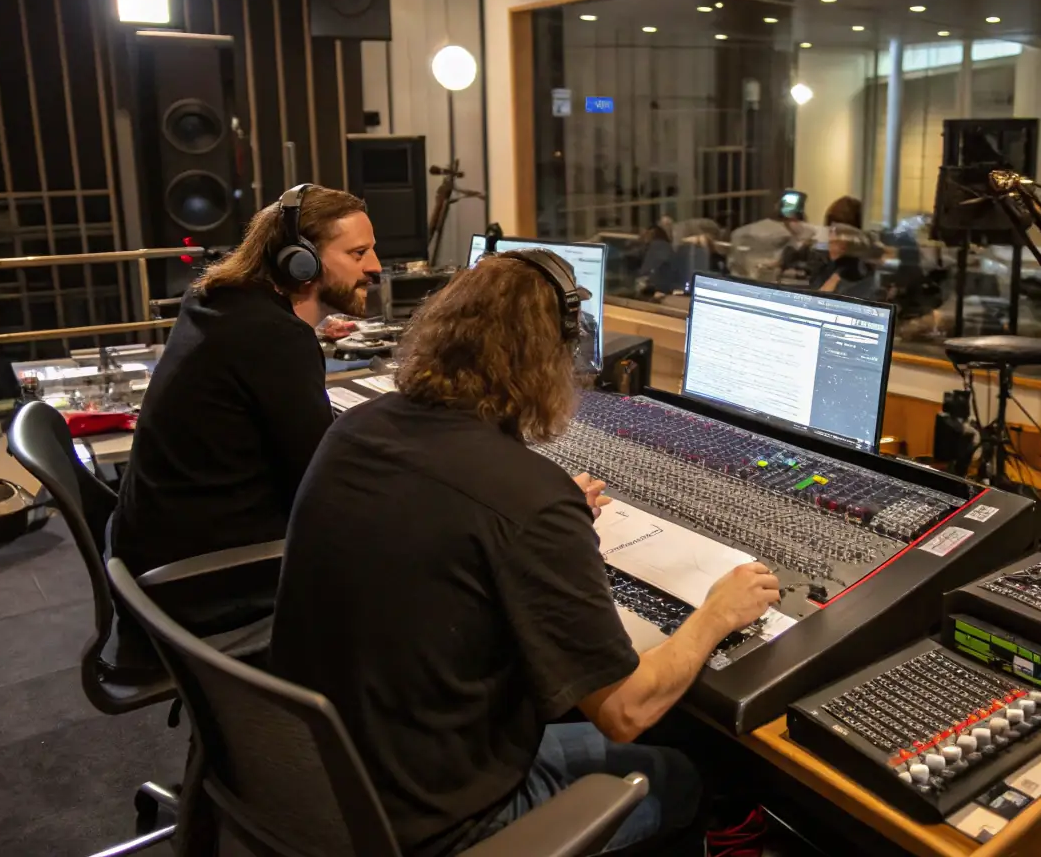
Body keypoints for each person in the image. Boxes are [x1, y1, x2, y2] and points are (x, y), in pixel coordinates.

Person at [270, 250, 780, 856]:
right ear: (549, 360)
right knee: (692, 772)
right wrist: (717, 613)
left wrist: (540, 514)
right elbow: (624, 709)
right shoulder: (528, 499)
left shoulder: (360, 428)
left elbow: (449, 516)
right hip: (440, 820)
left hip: (326, 775)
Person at [108, 184, 381, 640]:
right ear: (301, 260)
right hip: (198, 583)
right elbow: (319, 488)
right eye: (358, 253)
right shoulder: (275, 339)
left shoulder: (214, 302)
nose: (374, 267)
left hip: (152, 555)